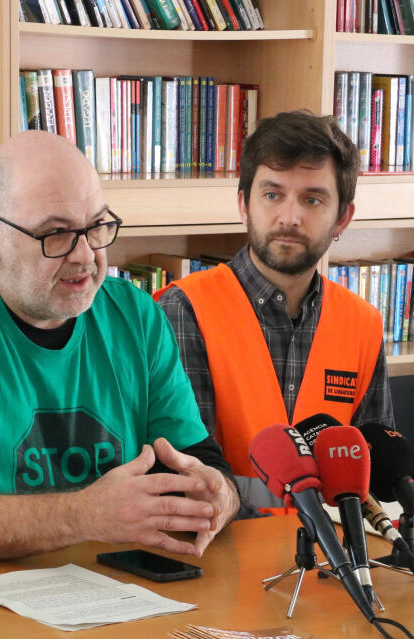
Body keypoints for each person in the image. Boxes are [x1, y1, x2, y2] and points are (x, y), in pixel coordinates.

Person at [0, 131, 239, 561]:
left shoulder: (138, 317)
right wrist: (84, 515)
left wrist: (220, 496)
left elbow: (196, 461)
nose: (86, 256)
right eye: (57, 234)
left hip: (104, 586)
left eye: (97, 227)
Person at [158, 111, 395, 512]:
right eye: (272, 195)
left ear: (342, 218)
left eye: (312, 200)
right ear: (243, 205)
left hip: (334, 546)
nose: (289, 217)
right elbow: (189, 478)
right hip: (223, 542)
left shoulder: (362, 323)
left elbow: (376, 471)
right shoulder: (184, 310)